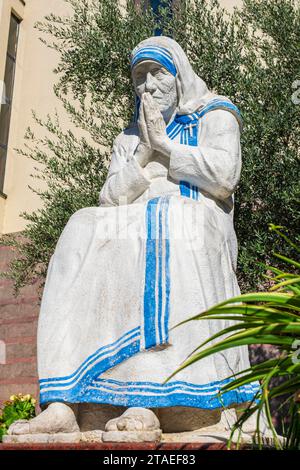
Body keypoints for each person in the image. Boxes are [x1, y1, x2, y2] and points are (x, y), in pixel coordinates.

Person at [9, 36, 260, 437]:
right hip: (131, 224)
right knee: (80, 225)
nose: (147, 85)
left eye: (156, 73)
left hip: (196, 221)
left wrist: (167, 148)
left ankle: (151, 397)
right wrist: (144, 151)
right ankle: (64, 400)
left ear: (179, 76)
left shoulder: (216, 115)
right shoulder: (129, 138)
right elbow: (109, 197)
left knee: (168, 219)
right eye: (138, 77)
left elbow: (224, 178)